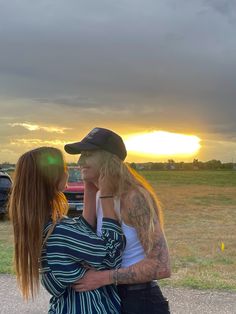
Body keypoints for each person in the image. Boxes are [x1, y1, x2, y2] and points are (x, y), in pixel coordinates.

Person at [64, 127, 171, 314]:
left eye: (88, 154)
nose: (80, 161)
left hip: (140, 302)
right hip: (110, 298)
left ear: (108, 159)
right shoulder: (99, 195)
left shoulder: (134, 197)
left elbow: (161, 265)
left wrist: (101, 278)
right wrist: (90, 191)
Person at [8, 147, 125, 314]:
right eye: (63, 168)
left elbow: (81, 232)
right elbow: (112, 255)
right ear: (51, 178)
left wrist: (89, 189)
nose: (67, 172)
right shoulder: (60, 232)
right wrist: (106, 196)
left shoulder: (44, 226)